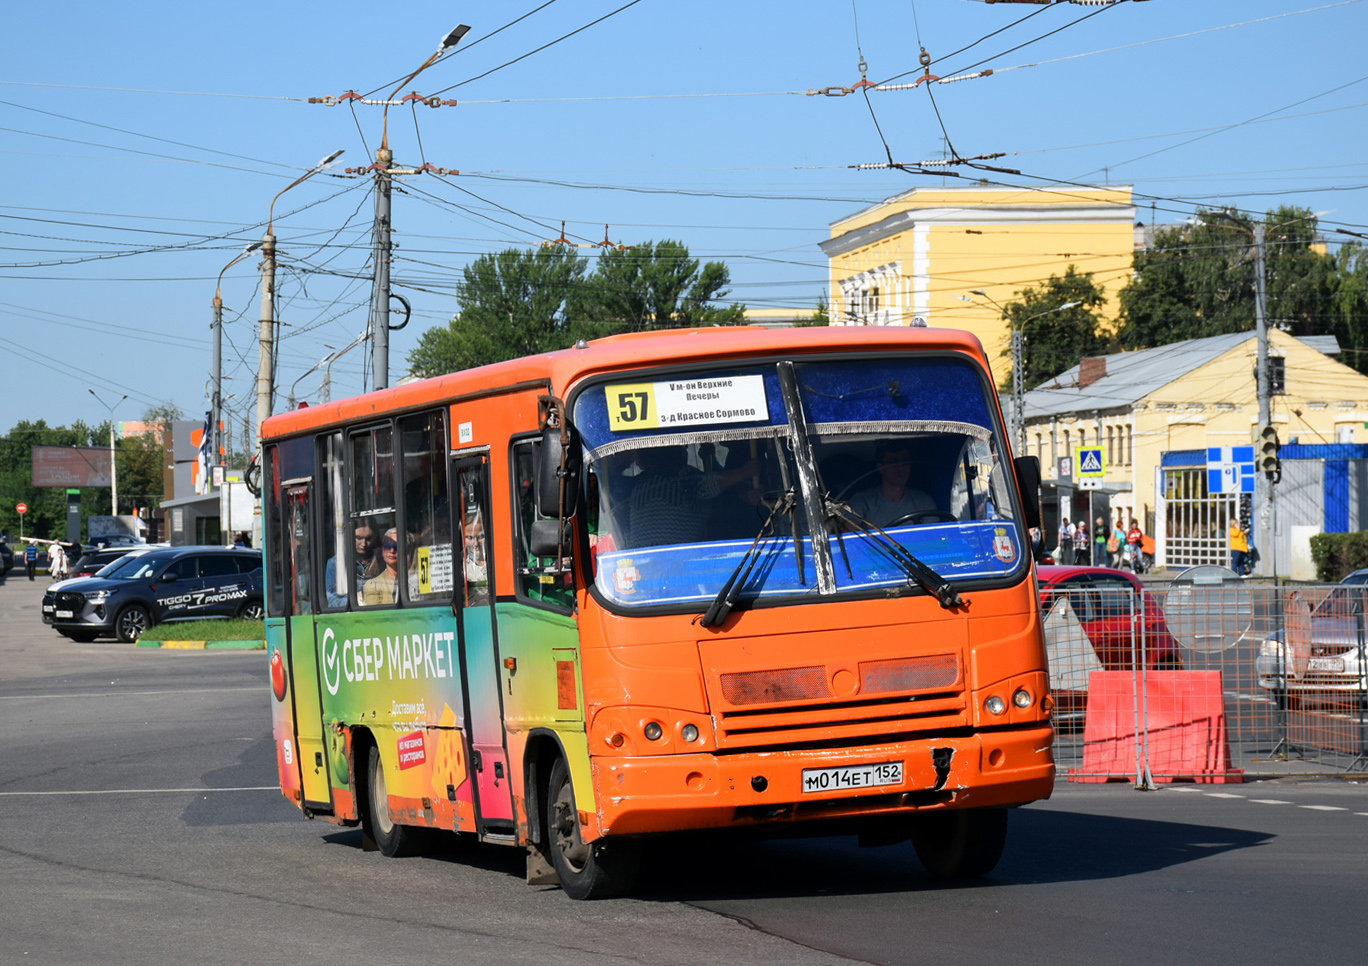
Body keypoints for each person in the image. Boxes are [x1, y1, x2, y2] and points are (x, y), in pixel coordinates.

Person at [625, 445, 758, 547]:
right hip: (676, 558)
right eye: (684, 448)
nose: (687, 452)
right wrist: (744, 472)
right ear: (677, 453)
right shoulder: (682, 477)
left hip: (641, 562)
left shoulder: (639, 484)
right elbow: (709, 485)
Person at [847, 443, 937, 529]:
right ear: (880, 467)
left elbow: (935, 538)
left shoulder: (924, 502)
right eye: (893, 462)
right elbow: (848, 533)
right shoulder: (862, 501)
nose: (901, 468)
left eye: (905, 462)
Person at [326, 523, 377, 607]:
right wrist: (358, 600)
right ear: (348, 537)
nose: (364, 544)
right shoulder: (335, 563)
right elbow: (332, 601)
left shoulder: (382, 558)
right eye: (359, 538)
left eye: (368, 538)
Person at [361, 528, 401, 605]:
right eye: (387, 546)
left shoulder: (414, 580)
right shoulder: (373, 585)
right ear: (382, 551)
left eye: (397, 546)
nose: (392, 551)